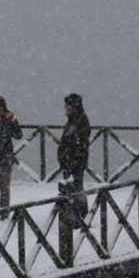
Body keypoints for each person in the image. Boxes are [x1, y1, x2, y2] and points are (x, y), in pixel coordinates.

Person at [57, 93, 91, 221]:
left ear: (74, 106)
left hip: (75, 161)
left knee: (76, 187)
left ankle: (81, 214)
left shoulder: (80, 120)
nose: (65, 107)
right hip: (69, 160)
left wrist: (75, 158)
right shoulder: (73, 120)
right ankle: (75, 213)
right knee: (71, 187)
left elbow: (81, 142)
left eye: (67, 105)